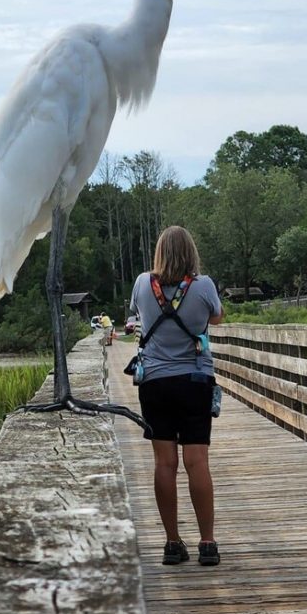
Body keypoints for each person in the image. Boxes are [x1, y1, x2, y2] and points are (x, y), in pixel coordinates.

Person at [128, 225, 224, 567]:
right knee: (197, 462)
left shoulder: (142, 283)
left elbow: (137, 316)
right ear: (191, 252)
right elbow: (217, 316)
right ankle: (208, 543)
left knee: (164, 464)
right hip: (196, 380)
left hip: (154, 382)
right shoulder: (204, 285)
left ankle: (171, 542)